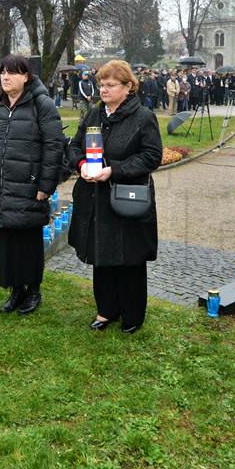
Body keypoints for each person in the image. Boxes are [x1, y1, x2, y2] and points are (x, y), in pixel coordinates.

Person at [67, 60, 163, 333]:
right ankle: (106, 309)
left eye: (110, 85)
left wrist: (115, 170)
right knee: (102, 254)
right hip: (95, 197)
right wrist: (81, 165)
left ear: (128, 87)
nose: (104, 90)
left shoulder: (143, 116)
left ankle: (132, 315)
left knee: (130, 257)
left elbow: (151, 156)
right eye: (101, 85)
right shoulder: (94, 114)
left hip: (126, 196)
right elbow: (74, 146)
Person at [0, 55, 64, 315]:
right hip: (2, 185)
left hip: (29, 185)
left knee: (28, 238)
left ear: (26, 76)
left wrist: (45, 185)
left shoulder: (42, 104)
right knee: (7, 239)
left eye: (12, 72)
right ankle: (15, 290)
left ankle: (33, 290)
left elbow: (54, 145)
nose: (5, 77)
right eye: (2, 72)